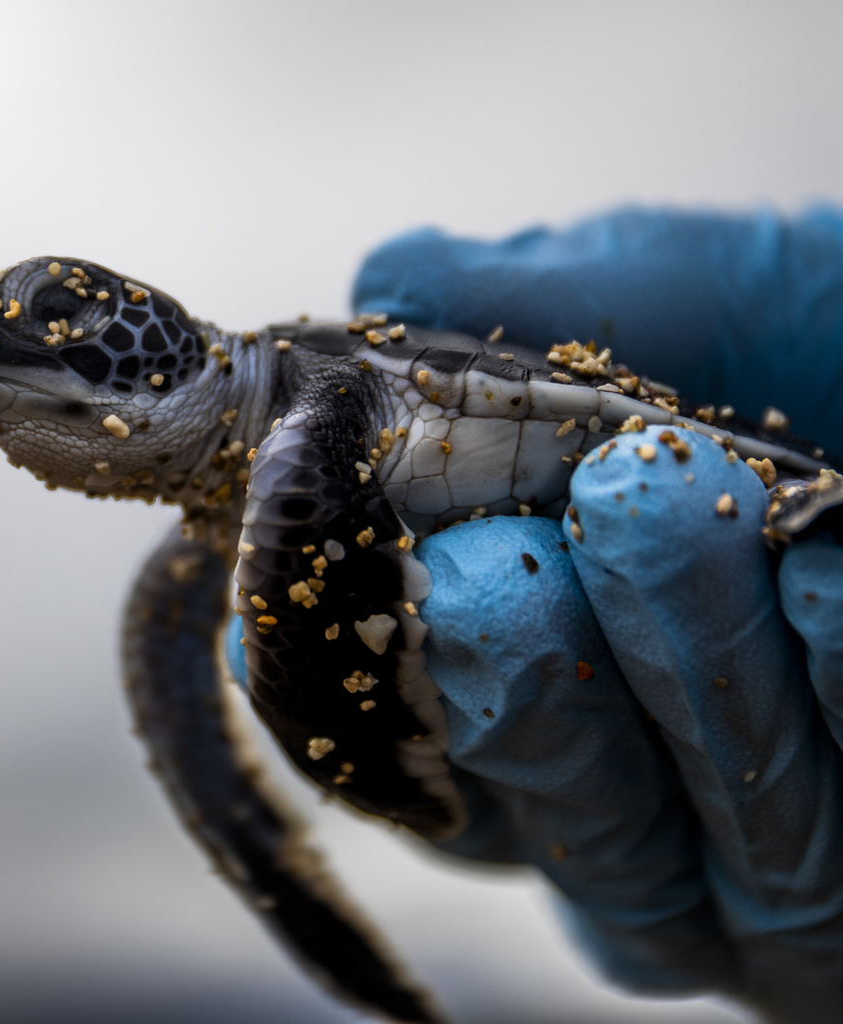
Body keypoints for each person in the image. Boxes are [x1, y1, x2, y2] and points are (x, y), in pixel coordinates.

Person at [229, 209, 843, 1023]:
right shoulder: (223, 503)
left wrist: (358, 748)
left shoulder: (305, 423)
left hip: (715, 477)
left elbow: (297, 567)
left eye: (64, 315)